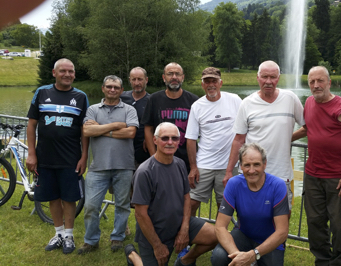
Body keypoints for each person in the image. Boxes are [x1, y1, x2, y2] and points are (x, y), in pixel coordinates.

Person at [292, 66, 341, 266]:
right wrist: (283, 138)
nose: (315, 85)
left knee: (339, 225)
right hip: (313, 175)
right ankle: (322, 261)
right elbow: (307, 129)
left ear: (329, 82)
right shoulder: (310, 102)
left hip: (338, 177)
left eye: (320, 81)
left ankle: (338, 263)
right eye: (312, 82)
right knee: (315, 222)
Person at [26, 58, 89, 254]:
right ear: (54, 73)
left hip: (71, 158)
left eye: (71, 71)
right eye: (63, 71)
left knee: (69, 198)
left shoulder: (80, 97)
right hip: (45, 157)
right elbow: (31, 125)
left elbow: (84, 130)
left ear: (74, 74)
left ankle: (69, 236)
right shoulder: (42, 92)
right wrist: (31, 153)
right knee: (53, 197)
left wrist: (84, 156)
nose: (67, 74)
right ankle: (59, 233)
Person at [223, 60, 304, 213]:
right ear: (257, 78)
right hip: (251, 174)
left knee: (281, 221)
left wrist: (287, 138)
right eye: (264, 77)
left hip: (281, 174)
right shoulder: (247, 103)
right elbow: (239, 139)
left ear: (278, 78)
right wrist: (229, 171)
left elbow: (308, 127)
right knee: (249, 217)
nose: (268, 81)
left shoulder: (290, 99)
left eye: (273, 77)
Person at [132, 122, 218, 266]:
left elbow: (186, 198)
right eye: (165, 138)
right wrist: (157, 246)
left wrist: (184, 229)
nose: (170, 142)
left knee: (217, 235)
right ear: (155, 140)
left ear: (179, 141)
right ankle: (133, 256)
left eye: (175, 138)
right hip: (155, 232)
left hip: (179, 224)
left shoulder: (179, 164)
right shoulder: (144, 172)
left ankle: (186, 261)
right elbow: (140, 214)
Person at [78, 75, 138, 254]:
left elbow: (130, 133)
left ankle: (117, 237)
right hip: (98, 167)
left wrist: (101, 129)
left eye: (116, 87)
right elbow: (87, 130)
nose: (113, 90)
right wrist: (116, 125)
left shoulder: (129, 110)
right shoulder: (93, 109)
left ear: (121, 90)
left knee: (122, 205)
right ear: (103, 88)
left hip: (124, 166)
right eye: (109, 87)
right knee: (91, 206)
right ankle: (91, 240)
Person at [211, 143, 289, 266]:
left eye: (256, 164)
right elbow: (220, 227)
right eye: (247, 165)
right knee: (219, 257)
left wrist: (253, 255)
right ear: (240, 166)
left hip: (270, 240)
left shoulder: (277, 185)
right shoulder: (233, 184)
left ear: (264, 164)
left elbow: (282, 232)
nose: (251, 170)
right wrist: (237, 255)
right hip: (243, 235)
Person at [185, 67, 241, 217]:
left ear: (220, 83)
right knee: (192, 202)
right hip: (204, 164)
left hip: (229, 165)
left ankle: (220, 239)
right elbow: (190, 139)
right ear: (202, 84)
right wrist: (193, 167)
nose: (211, 84)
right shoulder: (197, 106)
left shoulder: (235, 100)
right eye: (207, 81)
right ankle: (185, 234)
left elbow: (245, 129)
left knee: (224, 206)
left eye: (214, 81)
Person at [142, 62, 199, 173]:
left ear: (183, 77)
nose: (174, 77)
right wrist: (154, 157)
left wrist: (193, 165)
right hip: (161, 159)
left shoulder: (193, 101)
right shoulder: (154, 99)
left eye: (177, 74)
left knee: (185, 190)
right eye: (170, 74)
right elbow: (148, 129)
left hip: (186, 160)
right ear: (164, 77)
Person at [120, 67, 151, 166]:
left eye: (140, 79)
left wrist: (151, 137)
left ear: (146, 80)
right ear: (129, 80)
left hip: (142, 151)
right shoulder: (120, 97)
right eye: (134, 79)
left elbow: (159, 122)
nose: (137, 83)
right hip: (121, 149)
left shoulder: (152, 101)